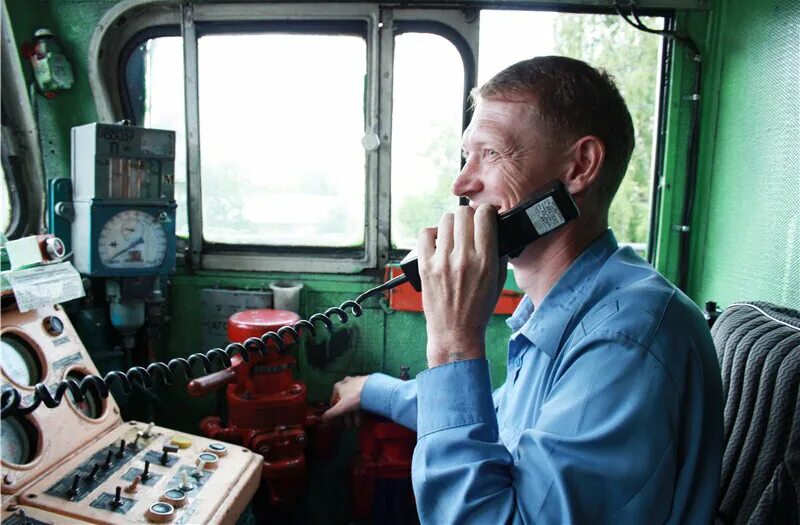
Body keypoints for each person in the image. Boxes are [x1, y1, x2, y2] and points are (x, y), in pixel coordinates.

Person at [323, 56, 723, 524]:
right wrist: (375, 389)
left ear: (580, 166)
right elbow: (494, 416)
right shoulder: (568, 308)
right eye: (465, 156)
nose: (462, 182)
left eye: (490, 153)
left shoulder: (624, 341)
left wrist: (453, 344)